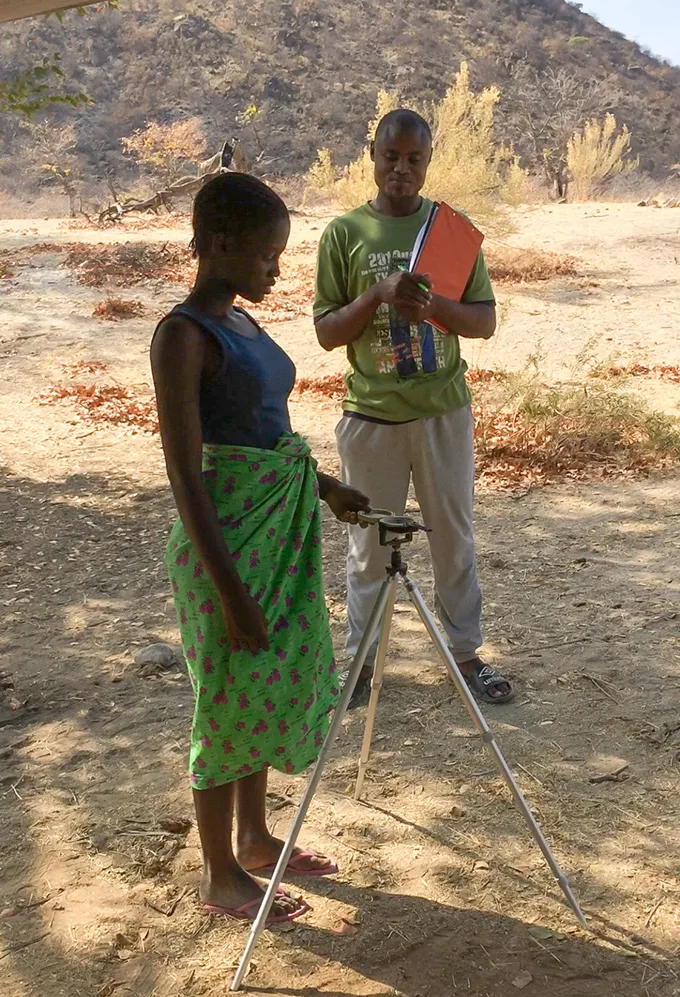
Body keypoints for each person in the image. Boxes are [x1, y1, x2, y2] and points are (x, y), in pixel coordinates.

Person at [150, 172, 370, 924]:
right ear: (219, 244)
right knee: (225, 695)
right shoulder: (184, 335)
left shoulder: (243, 325)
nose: (277, 268)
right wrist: (232, 593)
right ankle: (219, 873)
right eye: (268, 255)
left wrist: (327, 488)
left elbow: (272, 438)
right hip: (229, 544)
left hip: (278, 529)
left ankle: (254, 836)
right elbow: (186, 473)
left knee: (264, 686)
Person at [314, 108, 514, 707]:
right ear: (371, 156)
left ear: (428, 163)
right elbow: (326, 331)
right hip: (371, 415)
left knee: (453, 537)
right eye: (390, 156)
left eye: (414, 159)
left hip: (441, 413)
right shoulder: (345, 234)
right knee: (370, 545)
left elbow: (484, 320)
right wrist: (377, 294)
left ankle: (467, 655)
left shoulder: (451, 232)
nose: (401, 169)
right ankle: (363, 668)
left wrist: (431, 310)